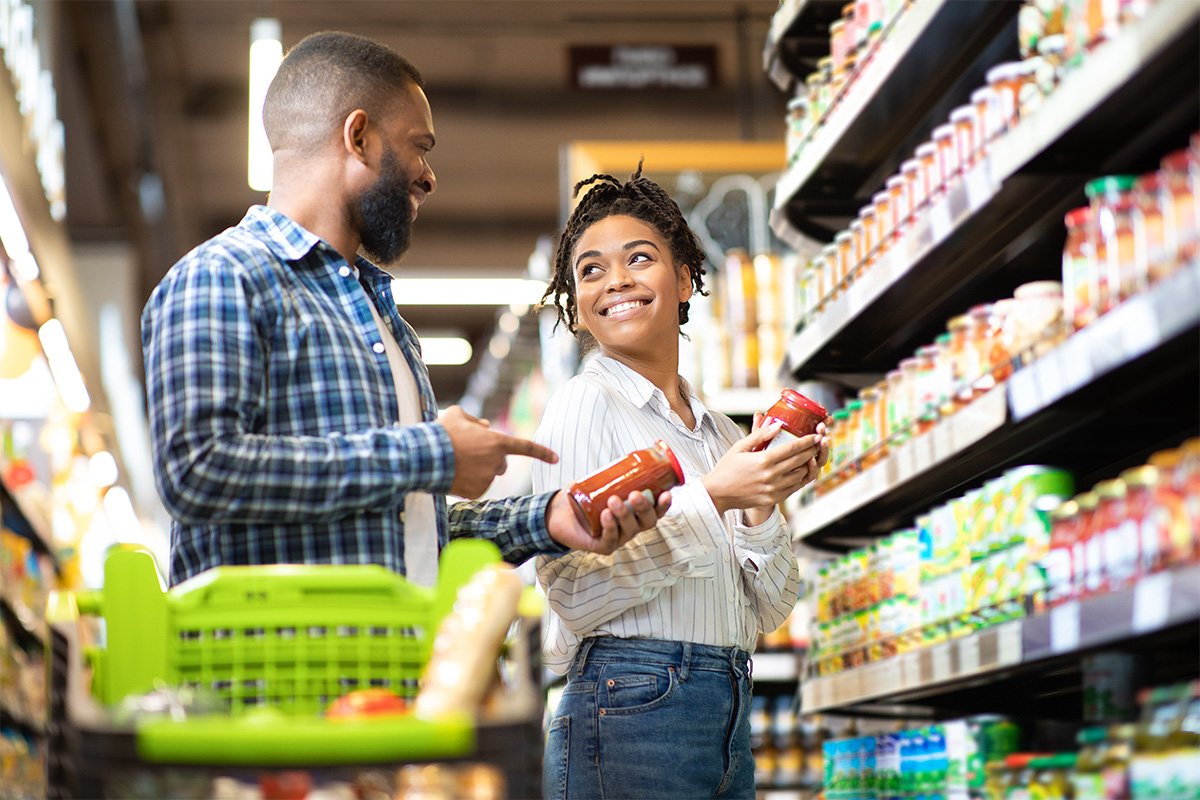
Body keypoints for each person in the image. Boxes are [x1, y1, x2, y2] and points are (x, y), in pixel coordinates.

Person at [140, 31, 669, 588]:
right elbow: (197, 471)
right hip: (273, 668)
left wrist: (548, 518)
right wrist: (431, 451)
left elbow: (414, 526)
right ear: (360, 136)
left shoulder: (383, 321)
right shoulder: (223, 276)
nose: (429, 175)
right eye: (420, 146)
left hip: (393, 663)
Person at [532, 165, 830, 799]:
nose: (615, 281)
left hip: (726, 709)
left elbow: (771, 611)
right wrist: (716, 496)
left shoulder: (722, 434)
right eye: (590, 270)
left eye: (638, 258)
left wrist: (761, 503)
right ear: (578, 308)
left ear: (686, 279)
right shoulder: (584, 406)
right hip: (628, 708)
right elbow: (573, 594)